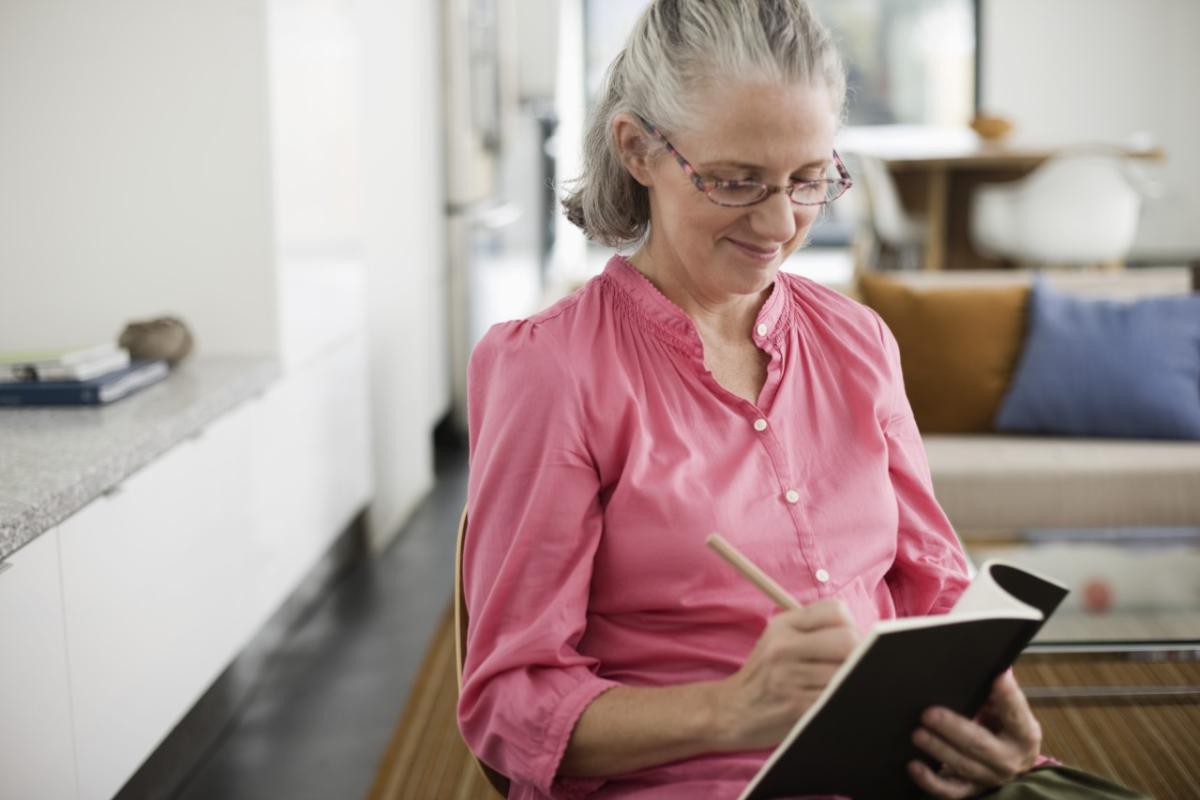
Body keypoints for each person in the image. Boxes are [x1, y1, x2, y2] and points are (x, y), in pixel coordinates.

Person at [458, 2, 1148, 798]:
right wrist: (730, 712)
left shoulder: (859, 342)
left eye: (809, 179)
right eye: (736, 180)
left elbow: (936, 586)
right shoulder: (552, 369)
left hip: (901, 771)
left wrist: (997, 731)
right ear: (638, 149)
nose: (781, 221)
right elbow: (508, 709)